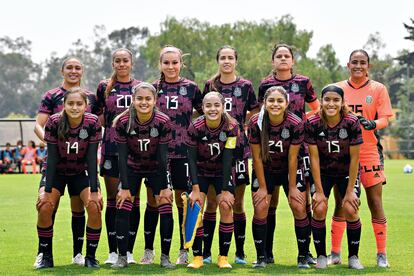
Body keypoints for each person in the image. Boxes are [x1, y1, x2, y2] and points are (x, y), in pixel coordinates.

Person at [328, 49, 393, 268]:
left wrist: (373, 124)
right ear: (348, 65)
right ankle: (335, 252)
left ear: (368, 66)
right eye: (354, 62)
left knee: (375, 202)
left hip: (369, 152)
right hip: (343, 155)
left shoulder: (378, 89)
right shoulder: (339, 88)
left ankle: (381, 254)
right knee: (342, 203)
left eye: (362, 62)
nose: (358, 66)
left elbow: (385, 118)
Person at [34, 57, 102, 265]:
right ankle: (45, 256)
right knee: (45, 204)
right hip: (57, 167)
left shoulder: (92, 118)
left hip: (81, 170)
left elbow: (92, 157)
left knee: (93, 205)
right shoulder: (54, 118)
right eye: (70, 104)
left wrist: (95, 188)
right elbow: (51, 155)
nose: (75, 107)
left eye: (79, 104)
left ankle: (88, 256)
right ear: (63, 105)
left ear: (86, 105)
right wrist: (45, 187)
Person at [258, 43, 320, 264]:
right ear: (273, 60)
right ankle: (266, 253)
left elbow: (317, 110)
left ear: (293, 60)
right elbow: (259, 115)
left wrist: (309, 130)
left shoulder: (303, 82)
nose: (283, 59)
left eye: (287, 56)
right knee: (268, 203)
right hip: (271, 151)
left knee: (300, 203)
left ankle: (307, 253)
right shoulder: (266, 84)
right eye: (279, 56)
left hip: (298, 150)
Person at [144, 45, 202, 265]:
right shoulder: (151, 88)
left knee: (182, 203)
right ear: (160, 64)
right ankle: (149, 250)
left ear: (181, 64)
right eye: (166, 62)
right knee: (154, 201)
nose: (170, 66)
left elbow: (203, 110)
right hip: (155, 154)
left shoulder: (191, 88)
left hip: (183, 153)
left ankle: (183, 249)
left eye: (175, 62)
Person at [202, 45, 259, 265]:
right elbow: (204, 110)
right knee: (213, 204)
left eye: (230, 58)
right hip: (212, 152)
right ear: (218, 61)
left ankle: (240, 252)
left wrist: (240, 125)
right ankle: (206, 253)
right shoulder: (210, 85)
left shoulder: (245, 86)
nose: (226, 61)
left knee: (236, 203)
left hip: (239, 150)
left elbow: (254, 112)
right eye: (223, 58)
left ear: (236, 61)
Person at [111, 82, 175, 268]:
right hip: (131, 167)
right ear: (133, 100)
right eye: (139, 98)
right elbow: (121, 157)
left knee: (164, 203)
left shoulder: (163, 121)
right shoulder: (122, 122)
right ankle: (122, 257)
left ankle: (165, 257)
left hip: (156, 168)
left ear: (155, 100)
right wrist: (123, 186)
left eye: (148, 98)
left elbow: (163, 157)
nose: (144, 102)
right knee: (123, 204)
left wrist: (164, 186)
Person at [248, 86, 310, 268]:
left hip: (289, 169)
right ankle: (261, 258)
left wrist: (292, 187)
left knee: (298, 206)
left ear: (287, 103)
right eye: (271, 101)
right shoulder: (255, 122)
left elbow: (292, 158)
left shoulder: (295, 123)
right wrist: (262, 187)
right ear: (265, 103)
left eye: (279, 101)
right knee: (260, 207)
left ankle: (303, 257)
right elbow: (257, 158)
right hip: (265, 169)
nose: (275, 104)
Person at [306, 85, 364, 269]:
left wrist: (350, 192)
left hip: (347, 172)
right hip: (322, 172)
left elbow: (355, 158)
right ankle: (321, 256)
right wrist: (319, 191)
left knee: (349, 207)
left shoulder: (351, 122)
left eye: (336, 100)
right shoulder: (313, 122)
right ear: (321, 101)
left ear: (342, 102)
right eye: (327, 100)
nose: (331, 103)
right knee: (320, 207)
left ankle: (353, 257)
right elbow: (313, 158)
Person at [94, 48, 142, 264]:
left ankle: (129, 251)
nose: (122, 64)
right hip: (111, 150)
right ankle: (113, 251)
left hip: (135, 152)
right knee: (114, 200)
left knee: (132, 199)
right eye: (117, 61)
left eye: (125, 61)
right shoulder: (104, 87)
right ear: (113, 64)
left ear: (131, 63)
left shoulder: (139, 87)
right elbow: (97, 117)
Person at [186, 92, 240, 269]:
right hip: (200, 171)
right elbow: (191, 160)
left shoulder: (231, 126)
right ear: (202, 107)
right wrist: (195, 189)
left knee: (225, 205)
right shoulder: (195, 126)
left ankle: (223, 257)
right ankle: (198, 257)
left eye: (216, 105)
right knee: (195, 206)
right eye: (208, 105)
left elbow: (227, 159)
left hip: (220, 172)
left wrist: (225, 189)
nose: (212, 109)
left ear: (223, 106)